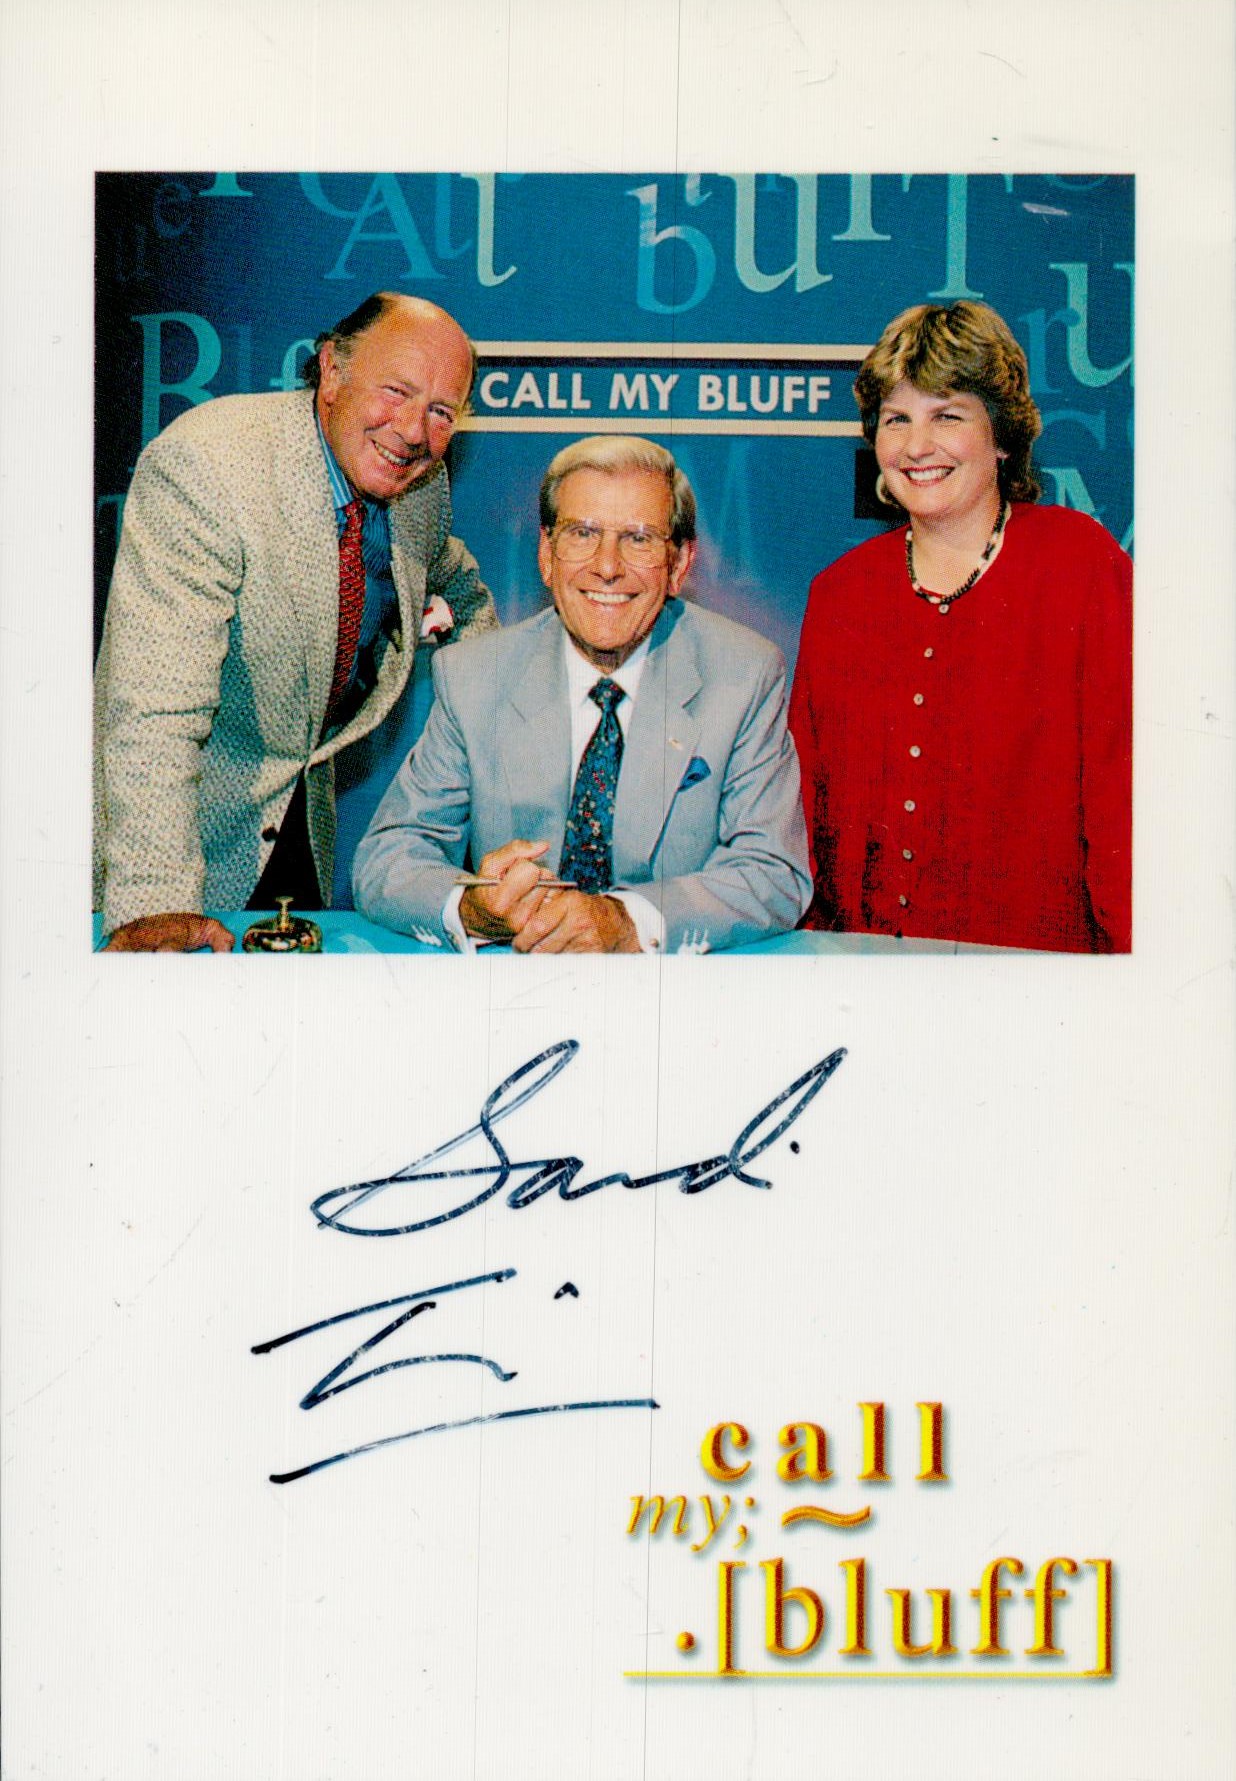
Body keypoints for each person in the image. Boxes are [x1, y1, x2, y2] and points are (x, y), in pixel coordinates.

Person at [94, 292, 498, 952]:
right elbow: (155, 713)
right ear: (332, 370)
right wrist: (156, 901)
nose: (415, 431)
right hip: (173, 852)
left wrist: (501, 713)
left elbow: (461, 585)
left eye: (441, 411)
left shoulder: (421, 493)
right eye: (396, 391)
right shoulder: (209, 465)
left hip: (296, 841)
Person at [352, 435, 811, 953]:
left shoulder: (744, 675)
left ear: (679, 563)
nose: (607, 566)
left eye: (638, 539)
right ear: (547, 556)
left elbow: (773, 873)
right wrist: (471, 907)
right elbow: (387, 857)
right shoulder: (475, 676)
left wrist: (625, 921)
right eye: (582, 533)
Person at [789, 301, 1132, 954]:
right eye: (897, 420)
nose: (918, 446)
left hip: (1038, 989)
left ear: (1001, 435)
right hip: (865, 985)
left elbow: (1126, 813)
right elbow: (805, 820)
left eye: (947, 415)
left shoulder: (1080, 565)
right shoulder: (839, 593)